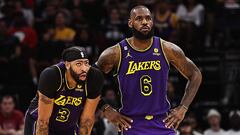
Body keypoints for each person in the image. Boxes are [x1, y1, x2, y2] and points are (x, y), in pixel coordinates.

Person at [96, 5, 202, 135]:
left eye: (148, 18)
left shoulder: (167, 49)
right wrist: (105, 109)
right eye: (139, 19)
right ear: (130, 23)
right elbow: (88, 80)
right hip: (131, 124)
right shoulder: (115, 53)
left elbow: (195, 74)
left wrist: (183, 108)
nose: (145, 22)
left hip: (163, 123)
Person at [24, 46, 104, 135]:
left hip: (68, 127)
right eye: (79, 64)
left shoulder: (94, 77)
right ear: (67, 65)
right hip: (39, 123)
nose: (84, 68)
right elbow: (43, 122)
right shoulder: (51, 75)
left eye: (86, 63)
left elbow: (87, 120)